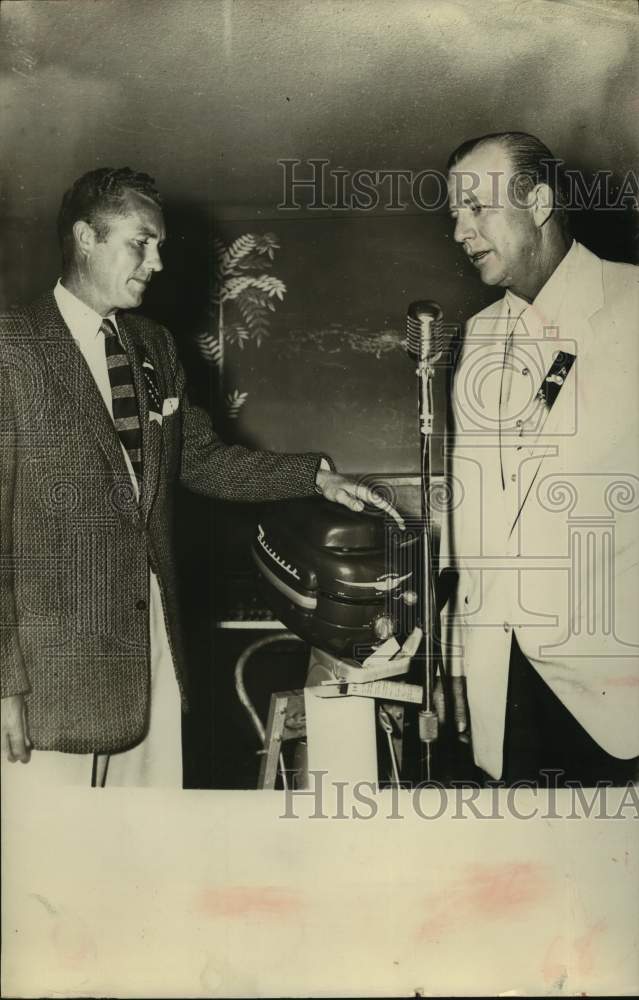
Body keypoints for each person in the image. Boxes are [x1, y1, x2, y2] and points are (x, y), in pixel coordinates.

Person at [0, 166, 402, 789]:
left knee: (149, 856)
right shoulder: (12, 346)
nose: (157, 261)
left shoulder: (155, 347)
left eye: (159, 244)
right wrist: (4, 688)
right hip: (47, 685)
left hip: (153, 657)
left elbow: (201, 459)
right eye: (142, 241)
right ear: (85, 237)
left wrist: (315, 479)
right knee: (52, 870)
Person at [440, 132, 639, 785]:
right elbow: (473, 514)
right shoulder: (476, 337)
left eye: (477, 208)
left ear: (540, 201)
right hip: (508, 682)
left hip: (618, 691)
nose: (460, 230)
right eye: (453, 215)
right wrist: (461, 659)